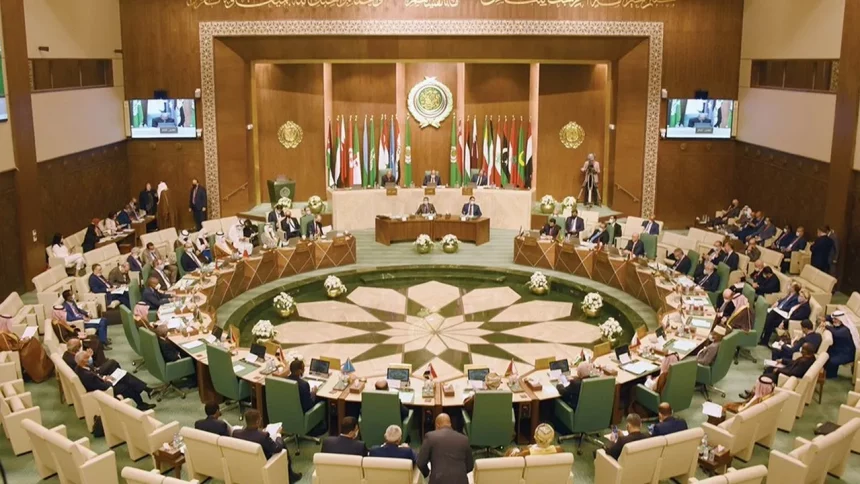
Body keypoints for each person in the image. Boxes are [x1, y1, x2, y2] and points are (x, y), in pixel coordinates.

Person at [232, 409, 302, 482]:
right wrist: (278, 435)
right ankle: (290, 476)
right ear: (257, 421)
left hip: (245, 463)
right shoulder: (263, 436)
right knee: (282, 445)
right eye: (260, 418)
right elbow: (277, 448)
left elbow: (252, 435)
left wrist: (261, 432)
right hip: (265, 463)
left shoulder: (236, 433)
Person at [74, 350, 155, 410]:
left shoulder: (79, 367)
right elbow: (102, 386)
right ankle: (142, 399)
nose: (90, 358)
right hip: (104, 390)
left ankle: (144, 396)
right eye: (87, 357)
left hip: (102, 382)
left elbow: (95, 374)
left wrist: (104, 377)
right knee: (127, 385)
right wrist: (108, 380)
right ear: (83, 361)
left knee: (124, 376)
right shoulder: (88, 376)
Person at [417, 414, 473, 484]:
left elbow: (421, 463)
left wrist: (427, 473)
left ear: (437, 425)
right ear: (450, 424)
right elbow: (470, 466)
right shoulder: (464, 439)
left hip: (438, 481)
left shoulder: (430, 437)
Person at [0, 315, 53, 383]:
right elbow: (8, 348)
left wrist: (23, 340)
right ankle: (40, 373)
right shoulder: (1, 335)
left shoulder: (8, 332)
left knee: (33, 341)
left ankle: (44, 366)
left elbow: (16, 341)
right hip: (17, 353)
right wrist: (22, 343)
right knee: (32, 346)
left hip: (19, 348)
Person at [823, 311, 859, 379]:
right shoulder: (838, 323)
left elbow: (836, 333)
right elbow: (829, 317)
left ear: (841, 319)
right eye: (833, 319)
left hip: (846, 354)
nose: (833, 320)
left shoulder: (845, 329)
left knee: (832, 361)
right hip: (839, 350)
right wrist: (825, 318)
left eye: (835, 319)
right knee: (826, 355)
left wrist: (826, 326)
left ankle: (831, 376)